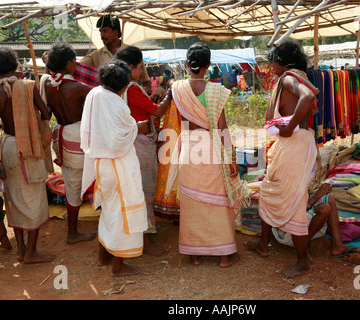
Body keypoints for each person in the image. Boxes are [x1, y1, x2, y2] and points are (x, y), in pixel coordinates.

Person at [246, 40, 360, 278]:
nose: (270, 68)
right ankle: (263, 246)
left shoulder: (288, 77)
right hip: (294, 143)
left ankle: (302, 261)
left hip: (294, 143)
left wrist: (288, 127)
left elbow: (307, 97)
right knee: (268, 192)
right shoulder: (295, 76)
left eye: (272, 62)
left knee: (294, 201)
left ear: (281, 62)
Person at [166, 42, 249, 268]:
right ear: (209, 65)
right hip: (211, 148)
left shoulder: (178, 88)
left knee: (193, 203)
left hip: (189, 149)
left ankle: (195, 255)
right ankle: (224, 255)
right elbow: (222, 128)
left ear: (186, 64)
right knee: (218, 201)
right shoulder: (215, 91)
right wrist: (231, 157)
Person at [80, 59, 148, 277]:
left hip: (100, 163)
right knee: (123, 212)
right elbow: (121, 138)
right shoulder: (116, 102)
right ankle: (118, 266)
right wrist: (137, 127)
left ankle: (103, 256)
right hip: (119, 165)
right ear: (123, 86)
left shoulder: (94, 93)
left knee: (109, 209)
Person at [0, 47, 54, 264]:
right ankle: (31, 253)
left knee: (14, 196)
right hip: (30, 145)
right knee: (33, 195)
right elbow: (46, 115)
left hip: (8, 146)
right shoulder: (28, 86)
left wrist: (5, 121)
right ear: (16, 65)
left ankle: (21, 248)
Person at [114, 45, 174, 256]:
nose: (142, 72)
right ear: (131, 67)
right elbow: (157, 112)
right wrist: (169, 94)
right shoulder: (131, 88)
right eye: (141, 67)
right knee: (145, 190)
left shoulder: (120, 89)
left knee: (136, 189)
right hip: (140, 143)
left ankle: (140, 234)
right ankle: (145, 239)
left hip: (131, 143)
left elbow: (146, 108)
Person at [41, 42, 96, 244]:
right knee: (85, 180)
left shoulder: (47, 84)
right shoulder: (79, 87)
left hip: (61, 136)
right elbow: (102, 98)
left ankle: (72, 225)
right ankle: (73, 232)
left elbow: (47, 74)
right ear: (69, 63)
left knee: (71, 182)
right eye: (74, 61)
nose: (76, 64)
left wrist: (47, 64)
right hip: (77, 137)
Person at [79, 14, 151, 93]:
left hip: (129, 102)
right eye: (100, 31)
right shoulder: (96, 55)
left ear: (116, 32)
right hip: (107, 101)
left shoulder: (132, 53)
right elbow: (76, 67)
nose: (101, 35)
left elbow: (146, 81)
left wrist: (145, 96)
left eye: (105, 31)